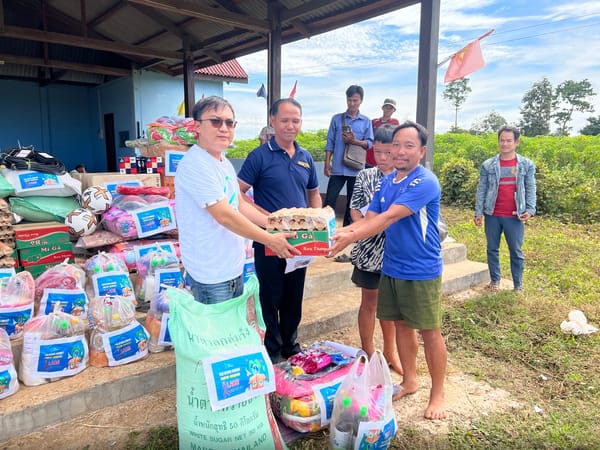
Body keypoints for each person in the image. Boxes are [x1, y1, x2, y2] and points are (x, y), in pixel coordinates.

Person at [329, 121, 447, 420]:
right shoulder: (386, 181)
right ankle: (410, 380)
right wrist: (335, 237)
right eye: (396, 145)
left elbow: (388, 218)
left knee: (429, 331)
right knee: (402, 326)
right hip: (391, 266)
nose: (400, 151)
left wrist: (349, 235)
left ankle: (438, 394)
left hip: (421, 269)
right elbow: (370, 217)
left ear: (421, 151)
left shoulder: (425, 182)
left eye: (409, 145)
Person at [175, 96, 298, 305]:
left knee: (231, 335)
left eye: (229, 122)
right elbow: (224, 215)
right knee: (217, 336)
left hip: (231, 268)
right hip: (210, 274)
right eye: (215, 121)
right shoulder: (195, 164)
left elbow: (239, 205)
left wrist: (275, 225)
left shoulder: (223, 162)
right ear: (197, 126)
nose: (224, 128)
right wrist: (270, 239)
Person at [238, 98, 322, 362]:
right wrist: (264, 218)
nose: (290, 125)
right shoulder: (259, 156)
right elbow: (237, 193)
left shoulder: (306, 157)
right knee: (270, 296)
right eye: (284, 120)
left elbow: (314, 194)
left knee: (293, 296)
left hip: (300, 242)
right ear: (272, 121)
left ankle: (290, 345)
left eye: (295, 120)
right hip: (269, 240)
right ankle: (272, 349)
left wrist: (317, 221)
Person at [349, 124, 402, 374]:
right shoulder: (365, 177)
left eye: (388, 153)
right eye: (377, 152)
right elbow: (355, 210)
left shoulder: (406, 179)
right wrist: (365, 229)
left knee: (390, 306)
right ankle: (368, 350)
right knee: (369, 302)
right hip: (369, 251)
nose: (382, 158)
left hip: (396, 252)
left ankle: (390, 351)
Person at [474, 125, 536, 292]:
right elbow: (482, 189)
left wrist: (530, 209)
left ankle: (518, 285)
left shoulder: (525, 165)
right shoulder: (488, 165)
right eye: (502, 140)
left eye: (509, 140)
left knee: (515, 250)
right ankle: (495, 281)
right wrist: (478, 211)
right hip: (492, 213)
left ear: (516, 142)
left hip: (515, 215)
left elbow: (530, 187)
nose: (505, 144)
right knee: (492, 249)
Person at [324, 85, 374, 228]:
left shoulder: (366, 121)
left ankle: (347, 230)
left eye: (355, 100)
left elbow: (369, 143)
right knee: (330, 200)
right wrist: (327, 164)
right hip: (338, 168)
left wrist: (354, 141)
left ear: (361, 101)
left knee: (352, 203)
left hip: (356, 169)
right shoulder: (336, 119)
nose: (352, 103)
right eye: (349, 100)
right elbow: (330, 142)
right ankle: (327, 230)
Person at [365, 99, 400, 168]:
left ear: (394, 110)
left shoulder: (395, 122)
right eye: (386, 107)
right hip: (370, 159)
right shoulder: (373, 122)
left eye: (391, 108)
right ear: (382, 108)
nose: (388, 110)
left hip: (386, 160)